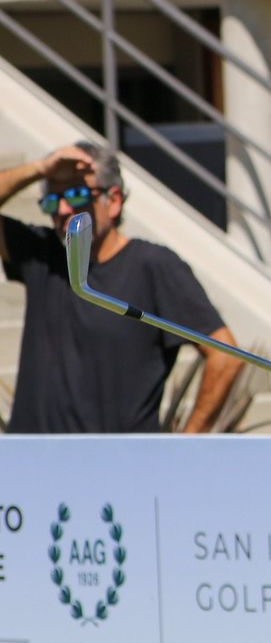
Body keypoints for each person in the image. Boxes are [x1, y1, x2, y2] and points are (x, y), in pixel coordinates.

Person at [0, 141, 243, 433]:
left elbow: (225, 354)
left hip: (118, 467)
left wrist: (187, 445)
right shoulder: (42, 255)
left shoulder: (153, 265)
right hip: (31, 463)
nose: (63, 209)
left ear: (113, 200)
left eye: (76, 195)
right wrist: (40, 168)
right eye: (52, 200)